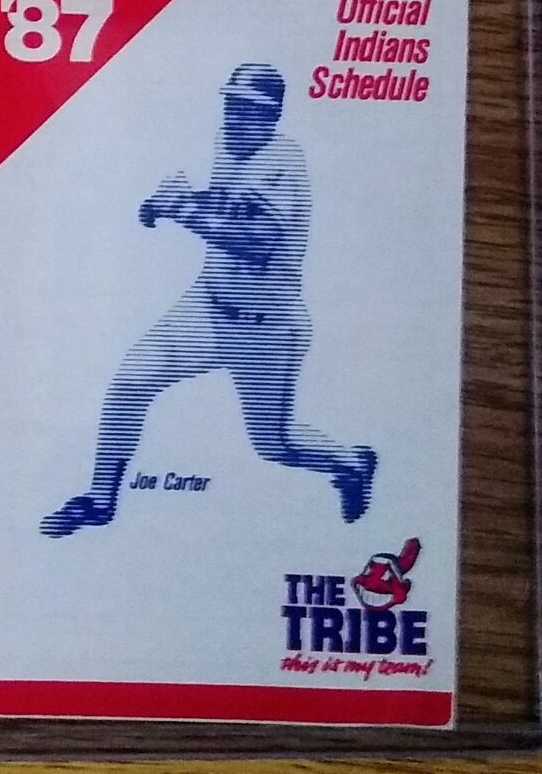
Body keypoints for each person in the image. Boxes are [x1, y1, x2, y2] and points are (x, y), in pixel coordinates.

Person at [41, 62, 376, 537]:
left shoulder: (285, 160)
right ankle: (99, 501)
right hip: (206, 308)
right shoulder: (226, 144)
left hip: (265, 328)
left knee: (275, 445)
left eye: (249, 109)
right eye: (231, 104)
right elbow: (227, 205)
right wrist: (173, 201)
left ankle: (352, 464)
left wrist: (182, 210)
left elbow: (255, 243)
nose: (235, 116)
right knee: (130, 382)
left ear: (272, 116)